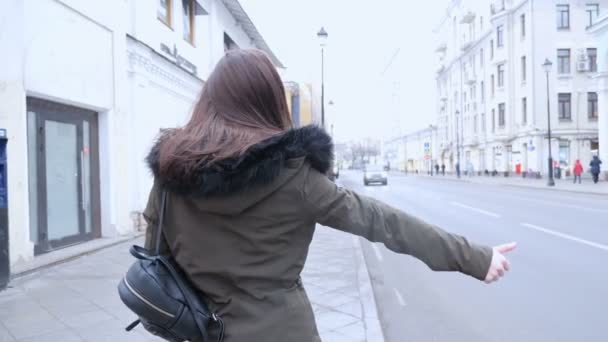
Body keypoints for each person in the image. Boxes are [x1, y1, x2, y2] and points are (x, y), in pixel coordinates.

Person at [142, 49, 515, 342]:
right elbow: (384, 222)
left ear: (209, 101)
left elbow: (156, 256)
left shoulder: (172, 174)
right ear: (269, 101)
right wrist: (475, 258)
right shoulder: (294, 178)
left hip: (202, 329)